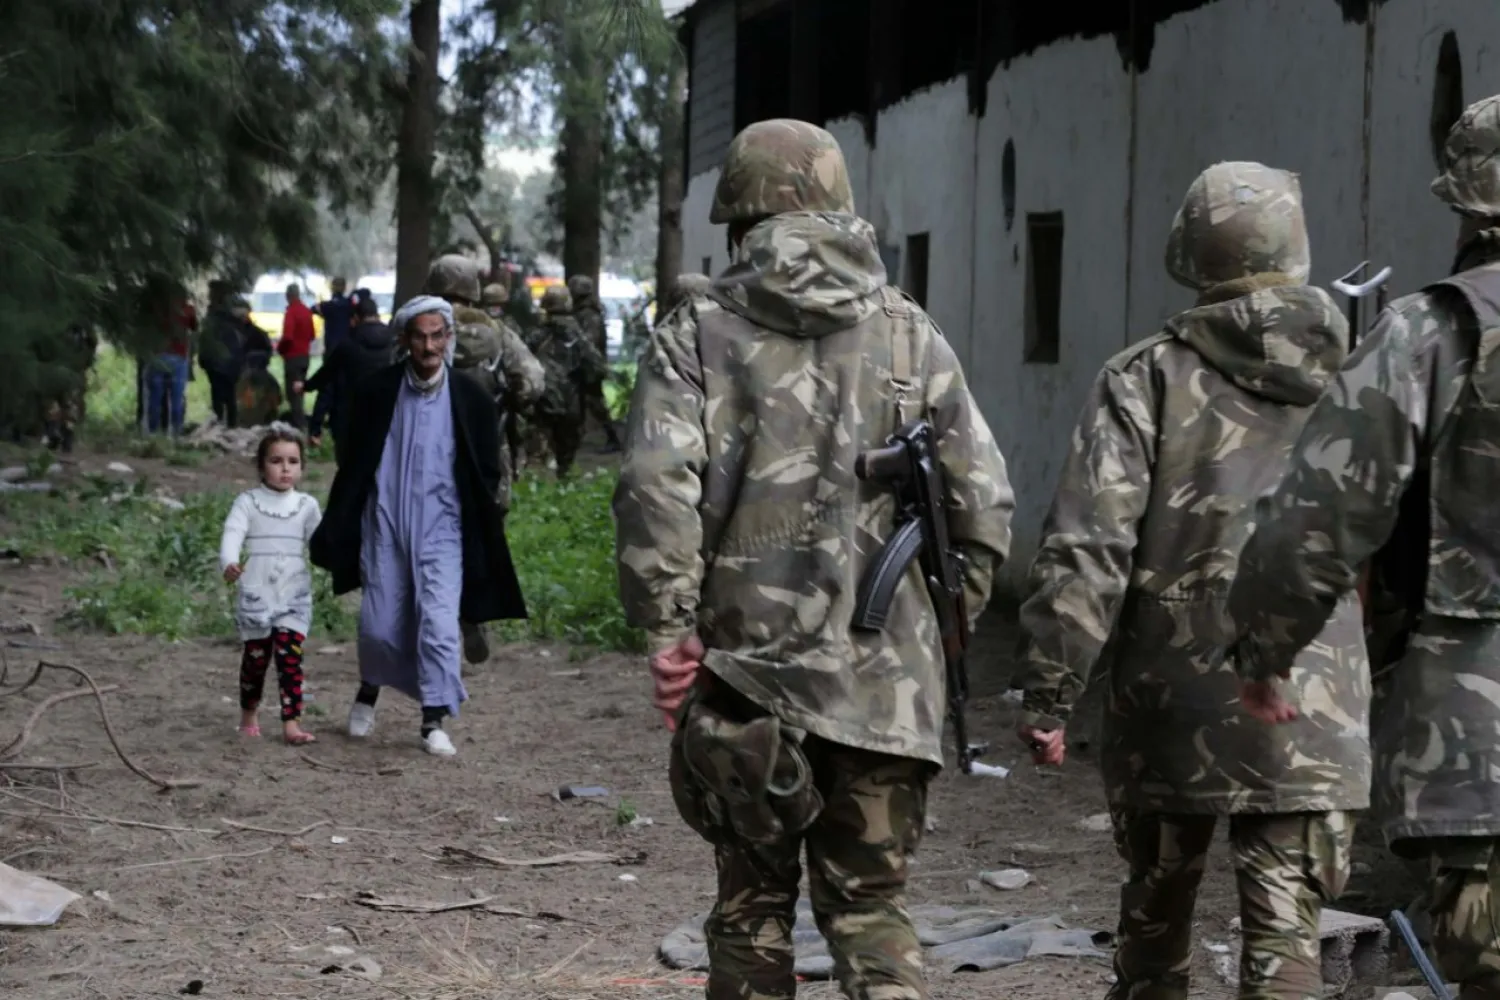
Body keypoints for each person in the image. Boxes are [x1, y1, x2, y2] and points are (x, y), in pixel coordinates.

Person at [614, 118, 1014, 1000]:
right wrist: (936, 641)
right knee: (872, 908)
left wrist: (670, 633)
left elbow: (654, 490)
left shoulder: (696, 333)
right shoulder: (913, 335)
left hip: (743, 678)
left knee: (752, 903)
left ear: (741, 213)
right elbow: (983, 509)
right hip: (885, 686)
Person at [1012, 161, 1371, 1000]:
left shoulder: (1142, 378)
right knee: (1287, 930)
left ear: (1191, 252)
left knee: (1156, 921)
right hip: (1312, 701)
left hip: (1169, 703)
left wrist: (1049, 694)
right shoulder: (1364, 377)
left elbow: (1086, 547)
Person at [1226, 96, 1500, 1000]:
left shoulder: (1431, 333)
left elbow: (1317, 518)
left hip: (1475, 724)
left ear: (1466, 201)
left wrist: (1266, 651)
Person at [309, 295, 527, 758]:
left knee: (439, 625)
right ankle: (371, 687)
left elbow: (486, 467)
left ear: (448, 338)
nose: (429, 346)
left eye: (437, 336)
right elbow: (353, 456)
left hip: (443, 527)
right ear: (406, 339)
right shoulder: (376, 391)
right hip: (386, 522)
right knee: (379, 628)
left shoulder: (471, 397)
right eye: (420, 336)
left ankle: (433, 719)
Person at [423, 254, 544, 667]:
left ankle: (431, 620)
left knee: (427, 539)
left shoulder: (416, 328)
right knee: (480, 538)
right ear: (473, 288)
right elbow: (533, 382)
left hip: (427, 456)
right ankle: (474, 614)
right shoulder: (497, 332)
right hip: (488, 458)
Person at [219, 428, 322, 746]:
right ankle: (248, 714)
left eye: (293, 461)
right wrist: (229, 562)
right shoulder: (248, 502)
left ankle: (291, 723)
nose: (285, 468)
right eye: (277, 461)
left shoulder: (306, 506)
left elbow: (321, 543)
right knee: (256, 659)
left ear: (302, 467)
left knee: (290, 657)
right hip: (257, 594)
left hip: (293, 593)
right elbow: (232, 533)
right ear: (262, 465)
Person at [532, 285, 607, 478]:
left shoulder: (537, 334)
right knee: (566, 452)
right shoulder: (576, 334)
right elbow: (597, 365)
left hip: (542, 400)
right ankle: (562, 479)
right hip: (571, 401)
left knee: (541, 451)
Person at [302, 292, 395, 446]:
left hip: (351, 415)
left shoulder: (348, 345)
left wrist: (306, 386)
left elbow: (327, 378)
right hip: (384, 415)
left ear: (356, 319)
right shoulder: (393, 342)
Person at [567, 273, 623, 452]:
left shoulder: (589, 315)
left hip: (589, 367)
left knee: (595, 404)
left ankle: (613, 438)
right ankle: (576, 437)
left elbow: (588, 343)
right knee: (581, 403)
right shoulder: (582, 312)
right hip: (584, 366)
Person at [309, 277, 355, 444]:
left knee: (326, 391)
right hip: (347, 353)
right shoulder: (350, 306)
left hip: (330, 353)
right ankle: (337, 424)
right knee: (343, 390)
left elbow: (313, 309)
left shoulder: (328, 306)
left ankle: (315, 429)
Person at [146, 289, 197, 435]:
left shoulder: (157, 309)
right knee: (177, 398)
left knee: (155, 398)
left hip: (158, 356)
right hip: (179, 358)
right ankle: (176, 431)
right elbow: (194, 327)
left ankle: (153, 432)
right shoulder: (188, 310)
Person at [200, 294, 250, 427]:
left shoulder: (214, 320)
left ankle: (220, 423)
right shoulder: (234, 323)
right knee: (229, 397)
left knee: (219, 396)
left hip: (218, 365)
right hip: (227, 365)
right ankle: (229, 425)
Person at [278, 283, 316, 430]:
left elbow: (287, 337)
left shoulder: (291, 312)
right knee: (300, 391)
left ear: (288, 296)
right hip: (305, 357)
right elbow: (312, 335)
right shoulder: (307, 311)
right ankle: (300, 422)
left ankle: (299, 426)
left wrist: (281, 350)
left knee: (292, 394)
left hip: (293, 357)